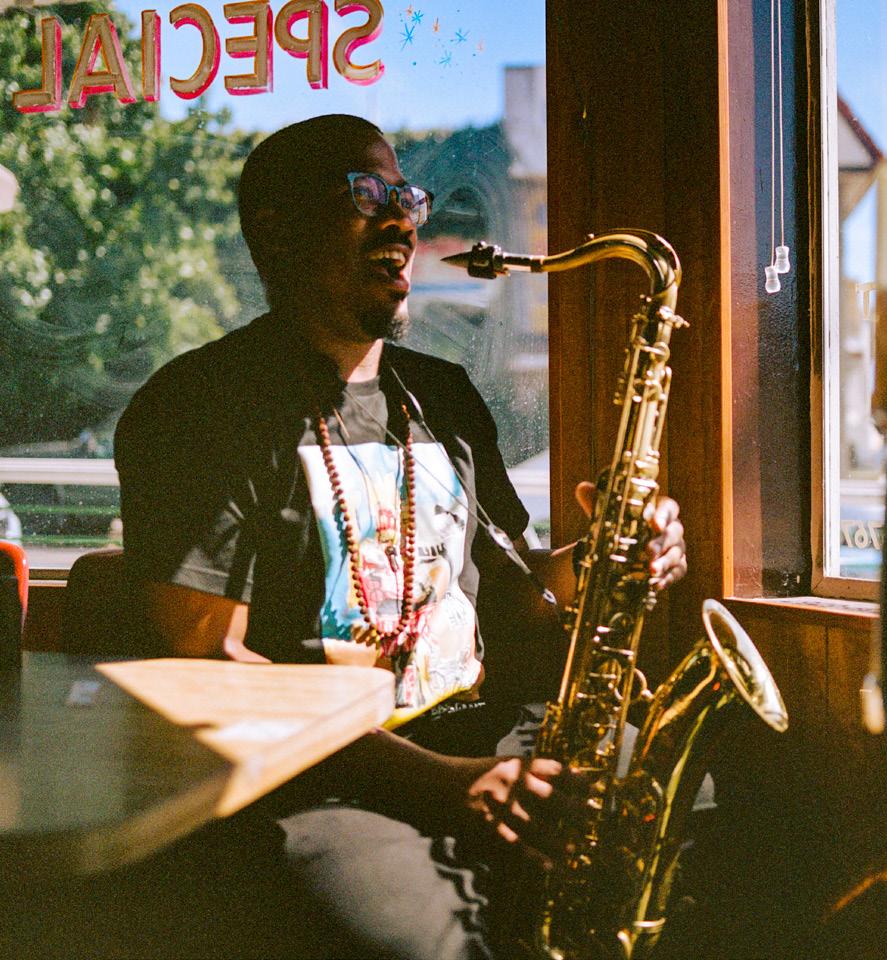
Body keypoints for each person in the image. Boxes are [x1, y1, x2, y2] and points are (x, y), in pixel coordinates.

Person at [111, 114, 688, 960]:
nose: (402, 222)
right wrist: (443, 784)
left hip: (485, 731)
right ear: (277, 230)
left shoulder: (443, 395)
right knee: (423, 944)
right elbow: (205, 671)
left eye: (406, 198)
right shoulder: (197, 406)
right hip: (322, 778)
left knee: (684, 804)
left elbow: (508, 593)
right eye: (365, 195)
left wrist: (604, 561)